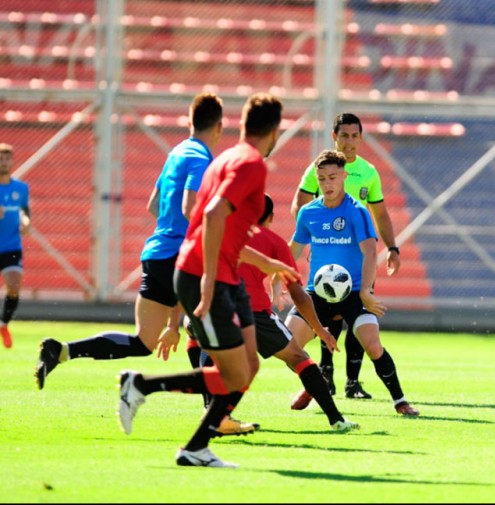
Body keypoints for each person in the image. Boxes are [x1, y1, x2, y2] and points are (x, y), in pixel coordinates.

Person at [32, 94, 254, 434]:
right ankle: (217, 418)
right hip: (181, 259)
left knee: (143, 341)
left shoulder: (176, 153)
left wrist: (172, 320)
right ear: (221, 126)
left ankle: (61, 351)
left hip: (155, 253)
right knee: (218, 339)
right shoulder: (202, 159)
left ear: (191, 121)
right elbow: (190, 207)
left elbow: (155, 204)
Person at [115, 93, 295, 468]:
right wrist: (211, 280)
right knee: (234, 372)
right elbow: (211, 217)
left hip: (221, 275)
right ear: (275, 131)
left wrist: (265, 262)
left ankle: (195, 447)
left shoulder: (223, 159)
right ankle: (142, 386)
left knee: (249, 366)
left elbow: (217, 226)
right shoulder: (250, 165)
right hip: (206, 276)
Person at [189, 194, 358, 431]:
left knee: (206, 346)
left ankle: (211, 413)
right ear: (270, 217)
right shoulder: (274, 242)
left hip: (216, 305)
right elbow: (298, 293)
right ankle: (336, 420)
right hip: (254, 312)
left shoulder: (224, 232)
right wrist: (319, 329)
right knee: (298, 358)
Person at [285, 149, 419, 417]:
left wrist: (367, 292)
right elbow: (293, 251)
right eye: (322, 179)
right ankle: (315, 382)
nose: (327, 184)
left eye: (333, 177)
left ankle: (400, 400)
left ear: (344, 176)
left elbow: (370, 252)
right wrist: (278, 279)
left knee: (372, 345)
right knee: (288, 344)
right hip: (317, 293)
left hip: (355, 292)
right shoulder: (308, 213)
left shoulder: (357, 211)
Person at [290, 112, 401, 401]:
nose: (349, 141)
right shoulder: (320, 170)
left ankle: (352, 381)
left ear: (361, 138)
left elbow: (380, 214)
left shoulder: (368, 172)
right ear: (334, 137)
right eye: (344, 135)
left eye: (354, 136)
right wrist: (318, 236)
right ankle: (325, 373)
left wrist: (392, 247)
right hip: (327, 257)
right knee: (328, 319)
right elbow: (300, 207)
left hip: (359, 260)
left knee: (358, 317)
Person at [0, 143, 31, 349]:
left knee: (14, 287)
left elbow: (25, 211)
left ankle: (3, 324)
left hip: (11, 246)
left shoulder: (21, 188)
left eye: (7, 158)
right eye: (0, 158)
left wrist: (26, 223)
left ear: (12, 161)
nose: (3, 162)